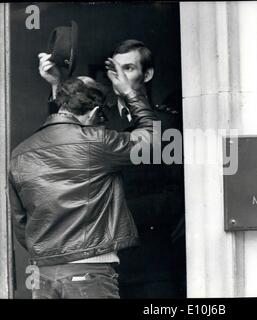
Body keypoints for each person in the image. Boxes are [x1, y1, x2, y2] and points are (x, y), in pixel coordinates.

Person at [39, 39, 186, 298]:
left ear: (147, 74)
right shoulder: (97, 120)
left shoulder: (168, 123)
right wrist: (55, 85)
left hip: (151, 265)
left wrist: (116, 212)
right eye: (114, 70)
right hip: (99, 266)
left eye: (128, 68)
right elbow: (63, 139)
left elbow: (178, 197)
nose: (119, 77)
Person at [9, 56, 158, 298]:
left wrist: (51, 253)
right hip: (89, 270)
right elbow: (154, 141)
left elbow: (20, 222)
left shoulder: (20, 153)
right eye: (101, 118)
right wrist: (131, 93)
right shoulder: (96, 141)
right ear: (97, 112)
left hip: (43, 275)